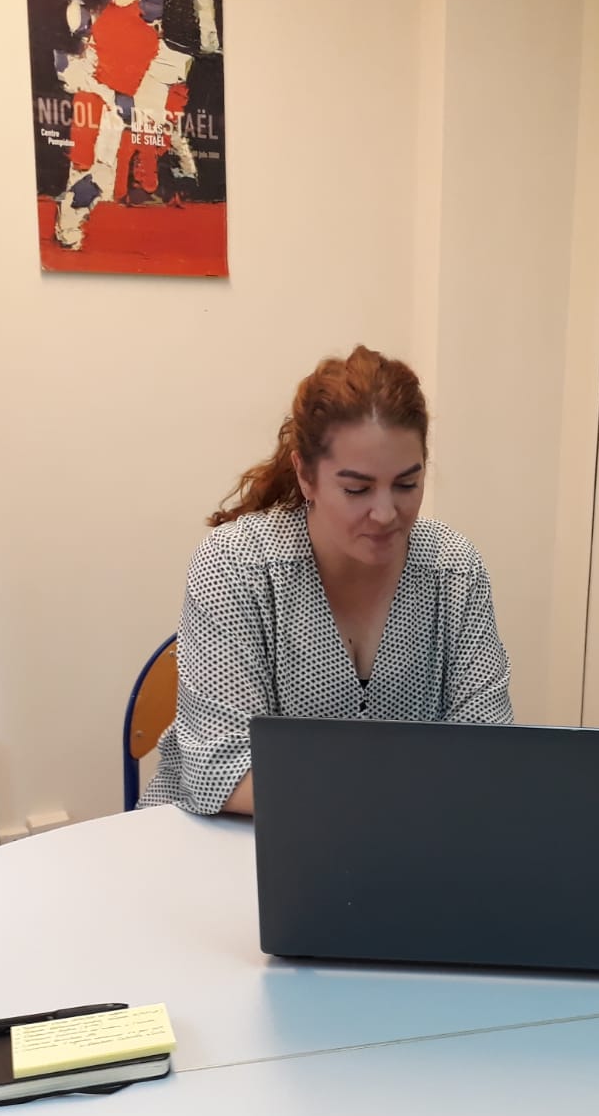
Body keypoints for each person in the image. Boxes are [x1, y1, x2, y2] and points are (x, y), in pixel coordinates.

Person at [142, 344, 513, 816]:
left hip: (397, 840)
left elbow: (488, 749)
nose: (385, 514)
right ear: (306, 476)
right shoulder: (236, 565)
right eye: (356, 489)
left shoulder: (454, 571)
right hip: (227, 838)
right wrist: (396, 796)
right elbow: (222, 770)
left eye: (407, 484)